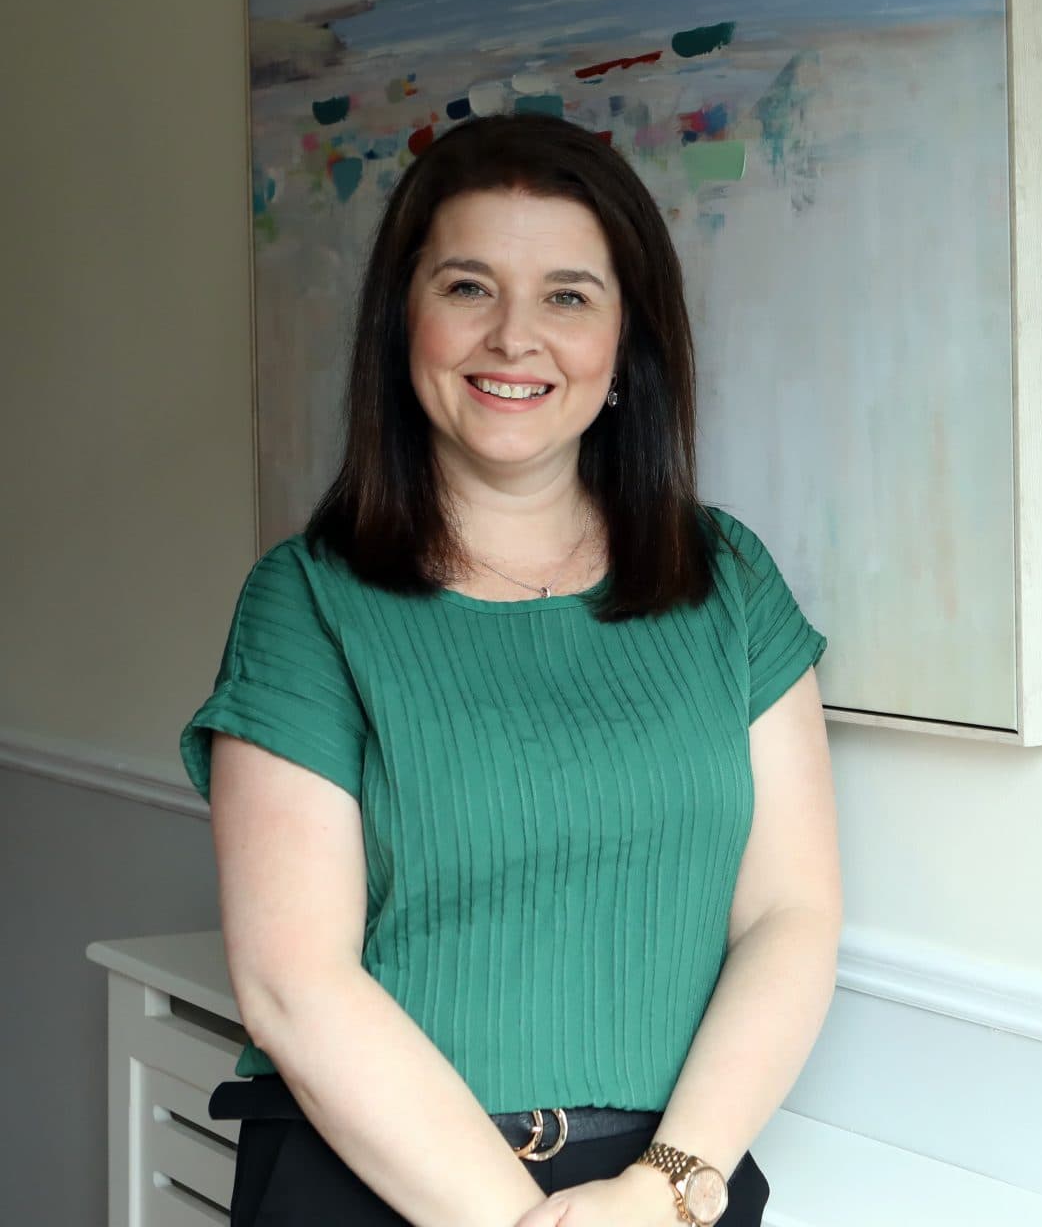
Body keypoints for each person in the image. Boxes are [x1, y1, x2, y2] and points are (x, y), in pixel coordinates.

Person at [180, 112, 843, 1227]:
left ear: (624, 339)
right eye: (468, 288)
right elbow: (297, 983)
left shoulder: (726, 579)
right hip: (375, 1180)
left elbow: (789, 913)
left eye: (567, 296)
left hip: (665, 1190)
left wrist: (665, 1190)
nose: (513, 337)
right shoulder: (305, 601)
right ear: (406, 320)